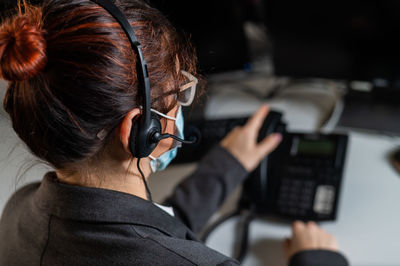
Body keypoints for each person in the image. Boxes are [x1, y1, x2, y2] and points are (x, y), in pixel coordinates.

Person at [0, 0, 348, 265]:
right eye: (180, 95)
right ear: (140, 128)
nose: (183, 107)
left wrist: (226, 166)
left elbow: (150, 233)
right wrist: (316, 259)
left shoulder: (20, 211)